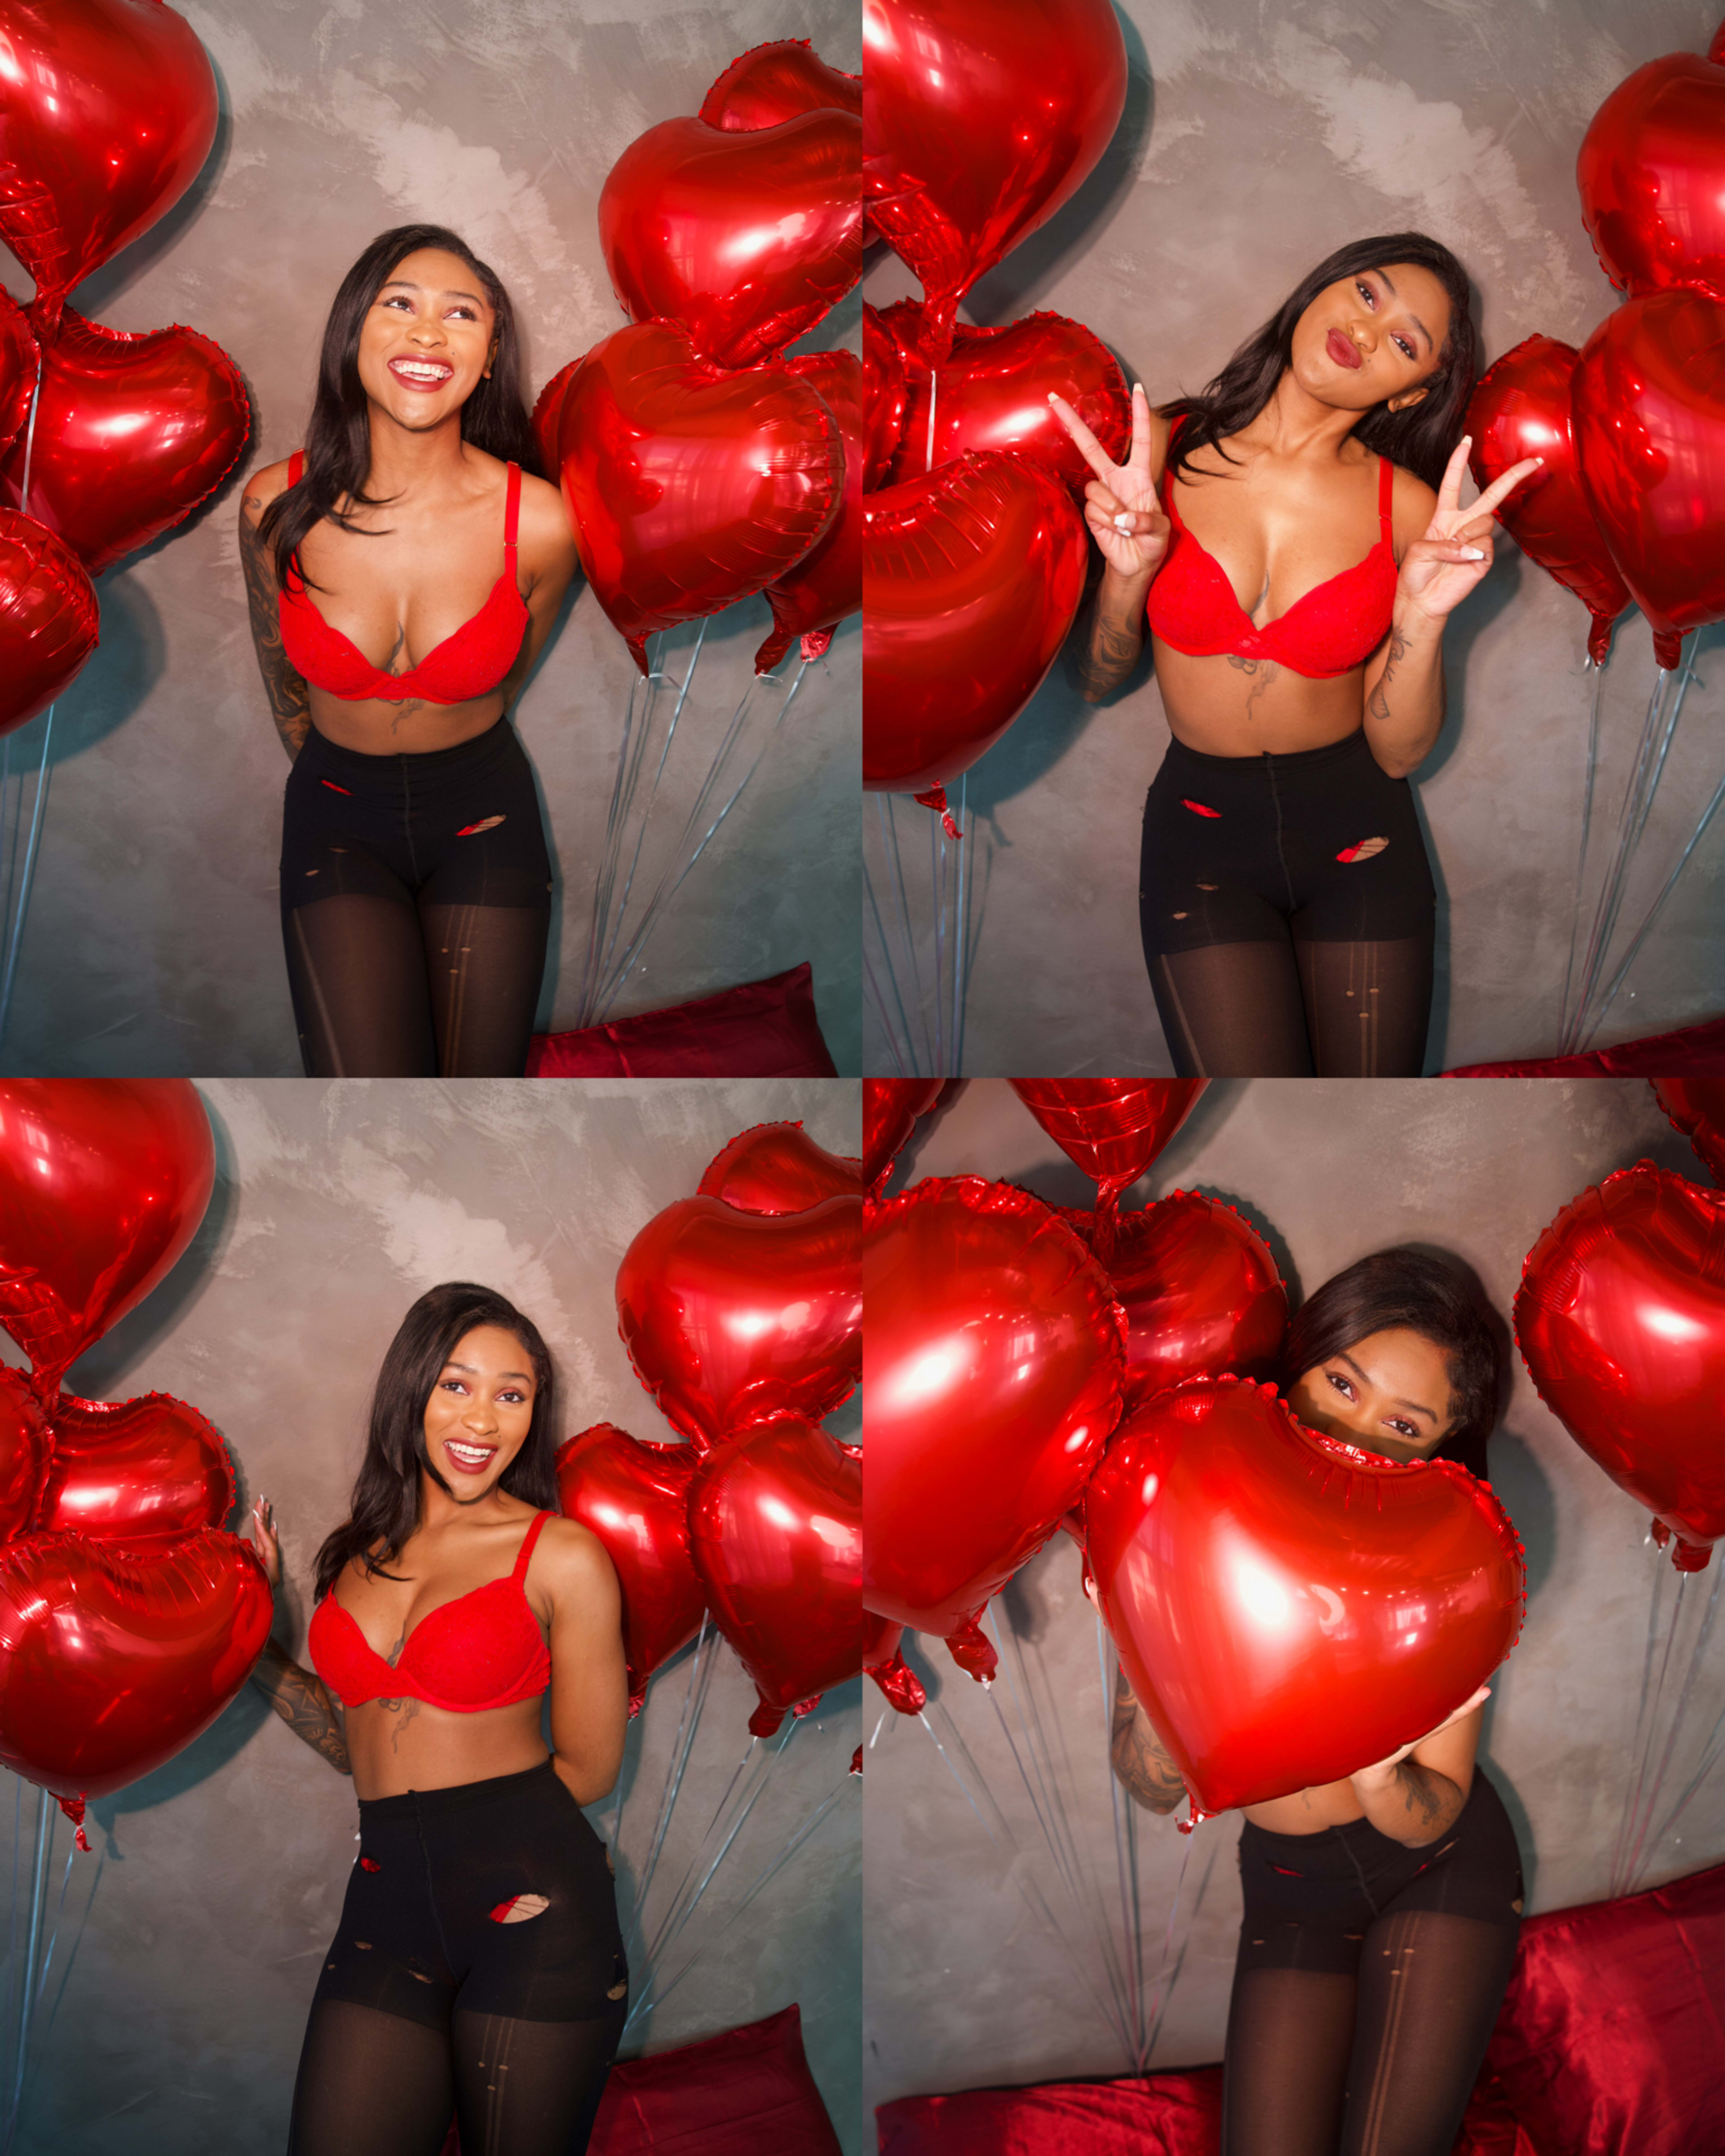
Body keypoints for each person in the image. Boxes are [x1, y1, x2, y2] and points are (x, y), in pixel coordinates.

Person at [1050, 234, 1540, 1077]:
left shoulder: (1415, 508)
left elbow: (1400, 752)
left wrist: (1421, 617)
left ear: (1411, 390)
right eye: (1369, 292)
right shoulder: (1160, 451)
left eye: (1405, 342)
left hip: (1362, 838)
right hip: (1198, 839)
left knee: (1366, 1119)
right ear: (1319, 289)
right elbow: (1095, 684)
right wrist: (1126, 578)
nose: (1367, 326)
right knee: (1254, 1092)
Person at [1102, 1249, 1524, 2156]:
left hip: (1437, 1866)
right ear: (1299, 1366)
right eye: (1343, 1385)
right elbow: (1152, 1788)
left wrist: (1376, 1763)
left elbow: (1429, 1814)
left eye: (1405, 1424)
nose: (1360, 1435)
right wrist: (1158, 1677)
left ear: (1440, 1450)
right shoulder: (1190, 1518)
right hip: (1290, 1893)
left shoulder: (1446, 1572)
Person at [247, 1282, 628, 2156]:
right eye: (457, 1385)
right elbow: (361, 1747)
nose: (483, 1420)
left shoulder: (561, 1555)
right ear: (412, 1388)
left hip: (537, 1918)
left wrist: (487, 1846)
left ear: (536, 1412)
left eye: (512, 1394)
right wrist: (250, 1641)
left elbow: (592, 1769)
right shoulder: (354, 1555)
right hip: (385, 1905)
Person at [239, 225, 580, 1078]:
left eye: (460, 314)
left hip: (485, 817)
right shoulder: (275, 506)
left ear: (490, 354)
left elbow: (510, 674)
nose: (429, 332)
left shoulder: (540, 522)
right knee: (365, 1094)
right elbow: (280, 672)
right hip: (334, 817)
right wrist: (333, 775)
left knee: (480, 1093)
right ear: (355, 331)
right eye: (400, 303)